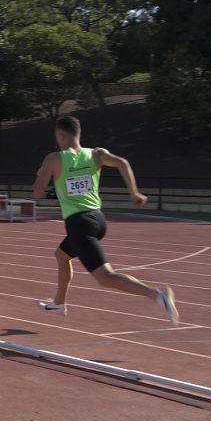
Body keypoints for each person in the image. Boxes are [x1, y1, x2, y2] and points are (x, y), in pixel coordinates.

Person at [32, 115, 178, 325]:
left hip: (79, 224)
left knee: (105, 277)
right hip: (98, 219)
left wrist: (42, 174)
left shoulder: (54, 159)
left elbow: (37, 193)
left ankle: (157, 294)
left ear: (61, 136)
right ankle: (59, 302)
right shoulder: (96, 154)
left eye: (57, 137)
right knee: (62, 256)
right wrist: (134, 193)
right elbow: (122, 162)